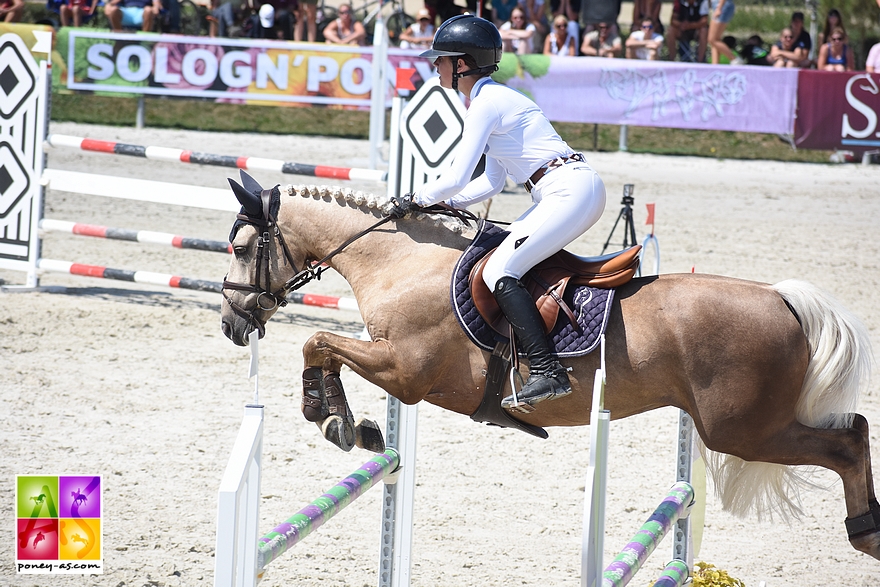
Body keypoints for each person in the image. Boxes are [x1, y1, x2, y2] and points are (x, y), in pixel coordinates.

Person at [395, 14, 607, 408]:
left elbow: (456, 176)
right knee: (503, 255)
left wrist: (416, 198)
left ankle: (548, 371)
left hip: (567, 190)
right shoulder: (492, 99)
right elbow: (491, 182)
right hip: (564, 188)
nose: (434, 65)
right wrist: (450, 205)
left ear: (462, 64)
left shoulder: (486, 104)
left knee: (498, 270)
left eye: (440, 59)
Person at [708, 0, 739, 64]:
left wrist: (719, 8)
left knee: (712, 39)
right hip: (718, 5)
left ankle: (734, 59)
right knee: (715, 39)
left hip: (721, 5)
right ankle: (715, 64)